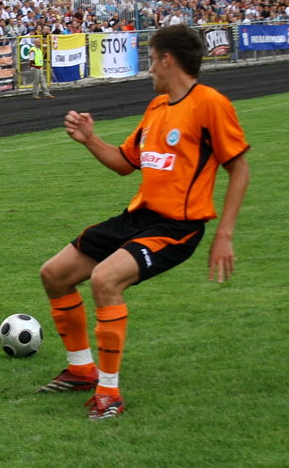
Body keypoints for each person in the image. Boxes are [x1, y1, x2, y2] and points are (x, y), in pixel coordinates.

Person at [37, 25, 250, 420]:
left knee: (105, 279)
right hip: (138, 217)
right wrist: (89, 139)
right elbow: (125, 163)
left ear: (167, 59)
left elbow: (239, 169)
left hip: (177, 227)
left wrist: (225, 234)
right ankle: (82, 369)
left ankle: (109, 393)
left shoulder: (210, 104)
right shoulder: (156, 108)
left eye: (151, 59)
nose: (149, 68)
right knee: (54, 273)